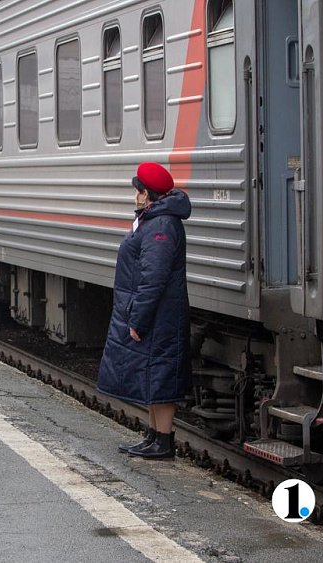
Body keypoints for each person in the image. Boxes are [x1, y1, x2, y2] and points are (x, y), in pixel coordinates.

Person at [96, 162, 192, 459]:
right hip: (154, 312)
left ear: (146, 194)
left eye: (138, 190)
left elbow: (154, 277)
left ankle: (163, 441)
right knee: (151, 375)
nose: (135, 195)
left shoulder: (161, 225)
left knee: (160, 374)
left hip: (161, 315)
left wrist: (138, 318)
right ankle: (153, 436)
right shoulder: (152, 220)